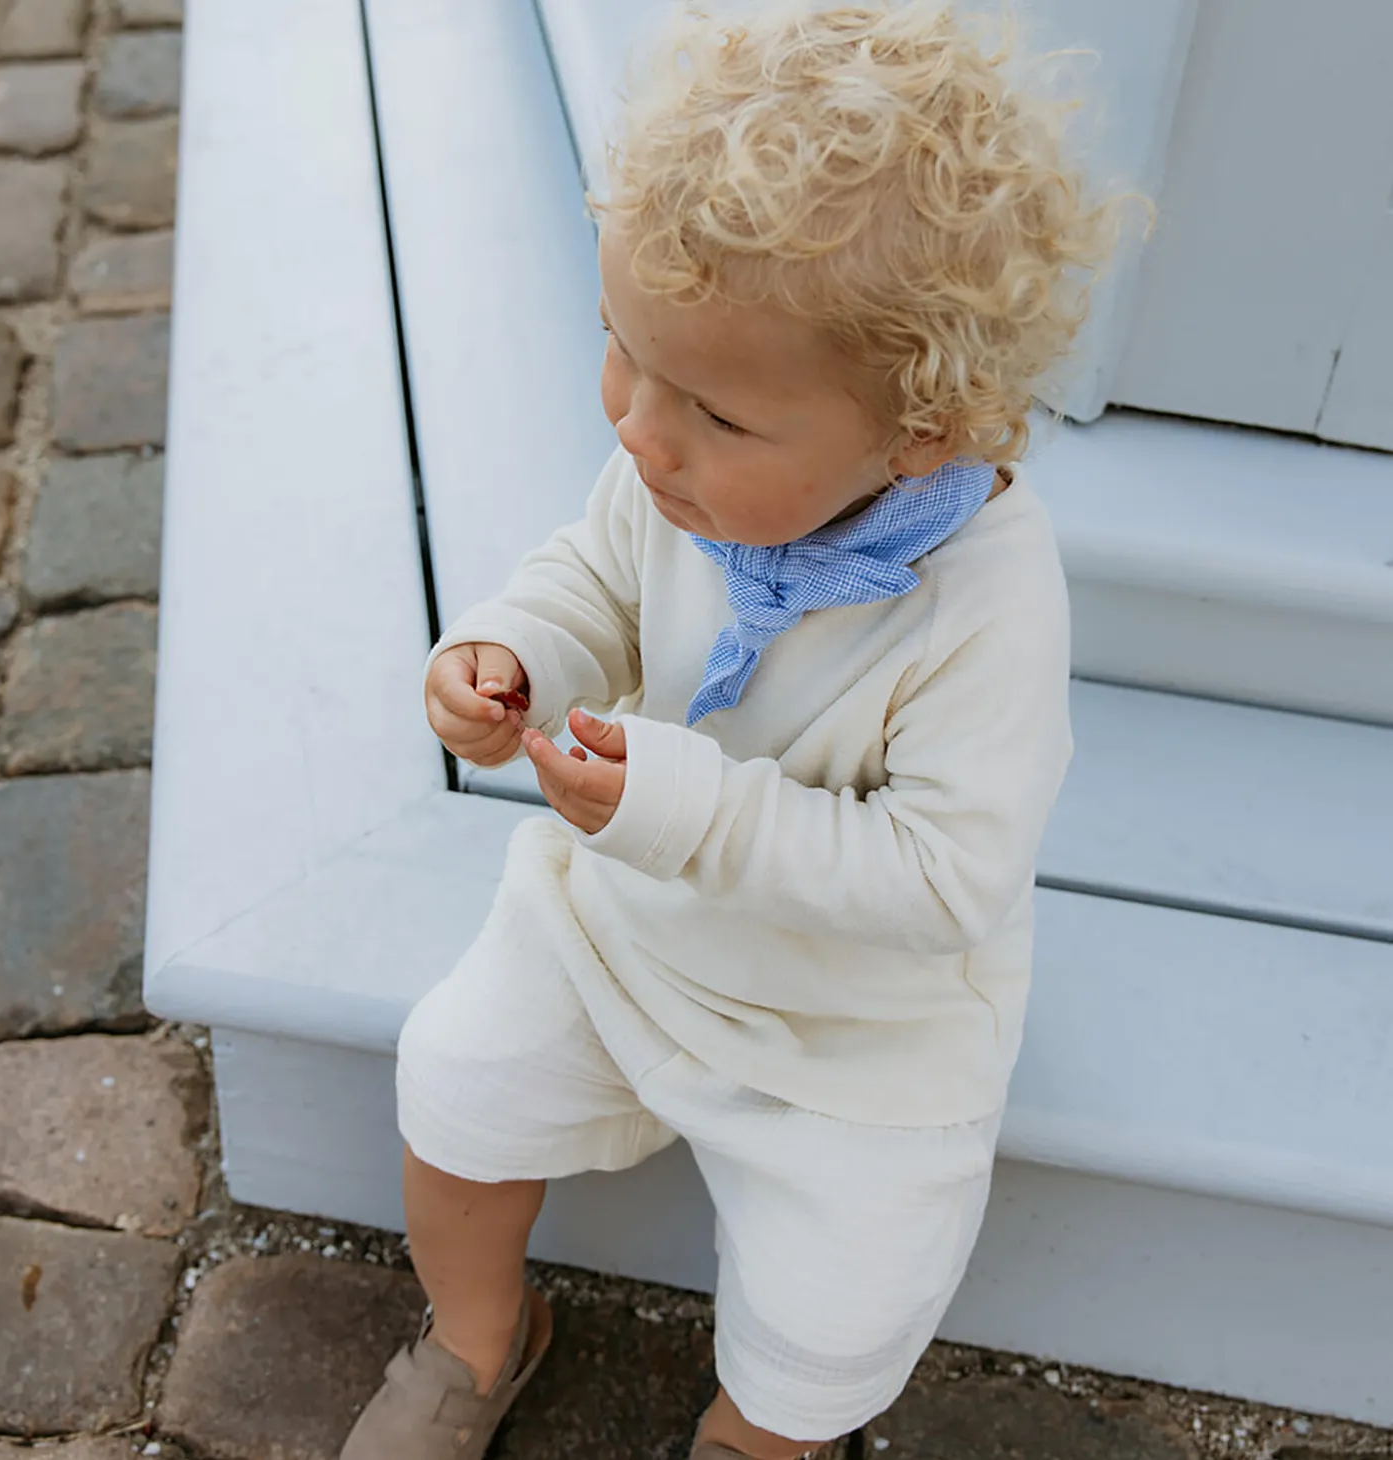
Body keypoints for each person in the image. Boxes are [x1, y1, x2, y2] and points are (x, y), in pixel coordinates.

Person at [343, 4, 1124, 1456]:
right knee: (456, 1078)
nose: (638, 431)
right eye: (620, 351)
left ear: (922, 432)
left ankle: (754, 1440)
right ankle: (475, 1335)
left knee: (840, 1312)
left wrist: (691, 809)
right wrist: (516, 656)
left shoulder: (987, 609)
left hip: (855, 1030)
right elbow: (595, 581)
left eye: (711, 410)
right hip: (622, 929)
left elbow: (945, 877)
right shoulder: (677, 468)